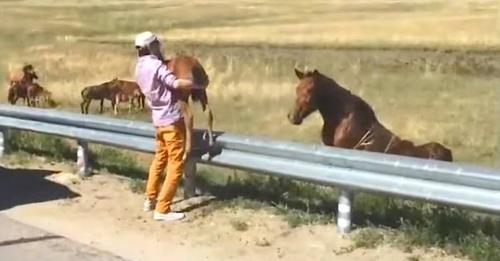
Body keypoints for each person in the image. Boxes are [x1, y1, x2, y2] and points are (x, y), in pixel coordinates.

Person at [134, 31, 203, 221]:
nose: (159, 47)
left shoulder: (138, 68)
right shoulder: (156, 65)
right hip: (171, 120)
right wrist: (195, 85)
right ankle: (162, 208)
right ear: (151, 47)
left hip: (157, 120)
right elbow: (174, 83)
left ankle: (150, 199)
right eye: (156, 44)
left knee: (159, 160)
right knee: (176, 163)